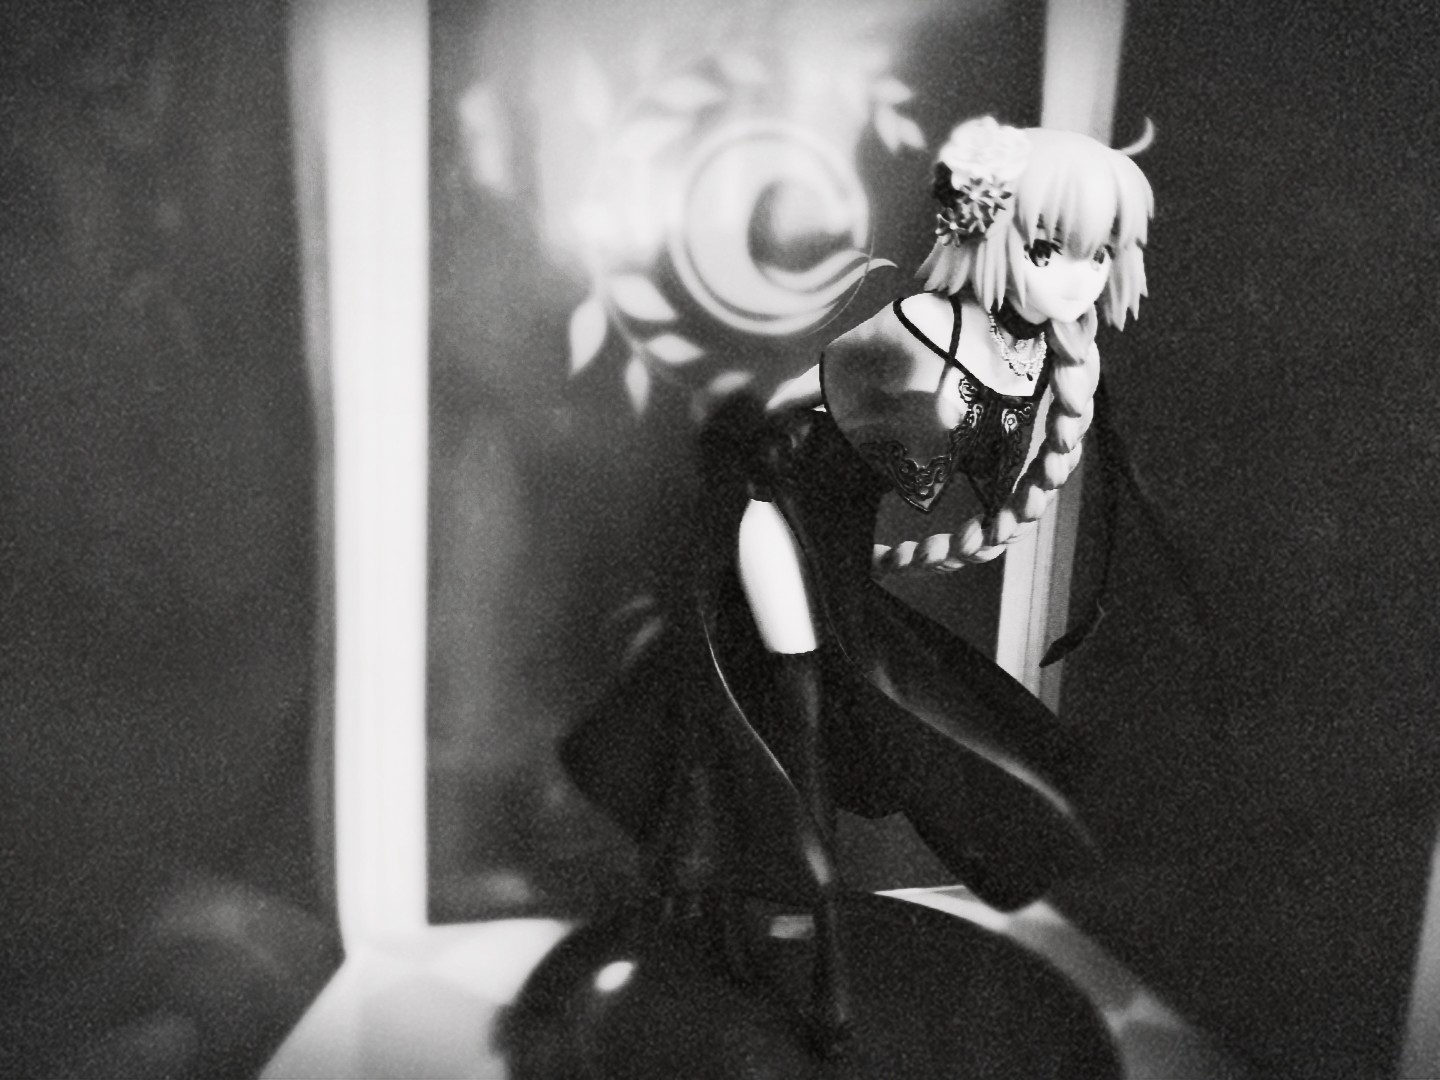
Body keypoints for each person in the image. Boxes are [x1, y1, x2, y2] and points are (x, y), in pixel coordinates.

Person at [561, 115, 1154, 1054]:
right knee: (808, 705)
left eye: (1100, 253)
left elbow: (977, 472)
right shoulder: (922, 325)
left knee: (900, 706)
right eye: (1051, 249)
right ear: (992, 236)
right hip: (774, 509)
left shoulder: (1031, 352)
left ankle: (756, 891)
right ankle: (820, 958)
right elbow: (787, 408)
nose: (1079, 277)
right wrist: (746, 468)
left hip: (838, 544)